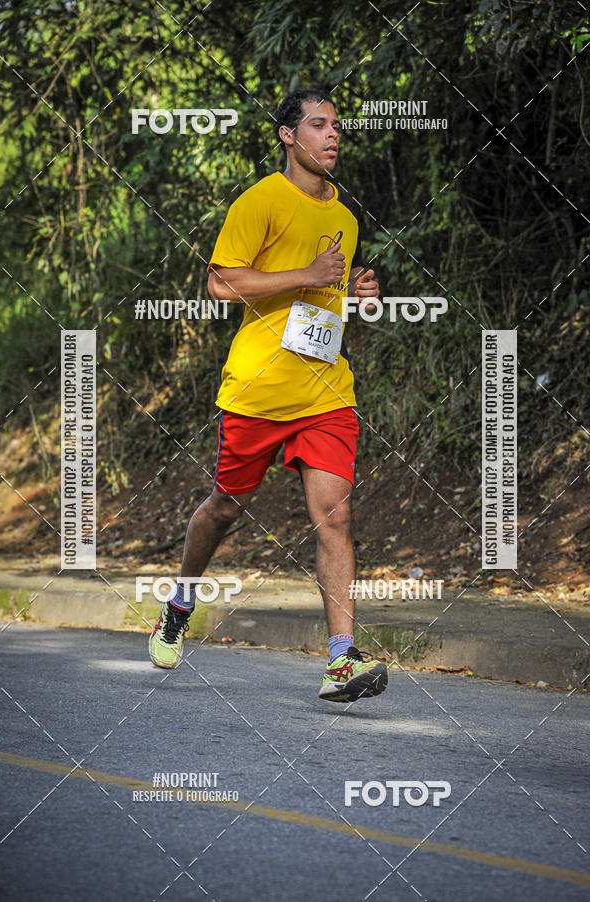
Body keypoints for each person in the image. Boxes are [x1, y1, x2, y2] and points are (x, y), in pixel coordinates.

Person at [149, 86, 388, 703]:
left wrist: (355, 292)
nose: (333, 134)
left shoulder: (346, 217)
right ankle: (180, 600)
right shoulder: (260, 200)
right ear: (289, 136)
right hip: (257, 392)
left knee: (335, 516)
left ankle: (342, 660)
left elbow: (322, 302)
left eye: (336, 125)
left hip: (325, 389)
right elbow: (221, 283)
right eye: (317, 124)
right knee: (224, 510)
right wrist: (306, 276)